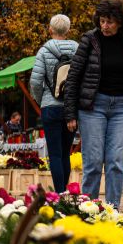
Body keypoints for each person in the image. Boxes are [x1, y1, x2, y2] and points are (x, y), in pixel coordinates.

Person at [63, 0, 123, 208]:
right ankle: (89, 209)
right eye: (102, 21)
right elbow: (73, 76)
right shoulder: (89, 40)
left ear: (120, 23)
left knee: (117, 162)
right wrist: (70, 113)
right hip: (93, 107)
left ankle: (112, 210)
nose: (105, 26)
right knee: (92, 161)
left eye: (110, 22)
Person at [30, 14, 79, 193]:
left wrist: (41, 98)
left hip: (50, 107)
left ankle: (59, 192)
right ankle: (66, 191)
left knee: (55, 154)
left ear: (50, 29)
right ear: (68, 30)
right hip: (71, 108)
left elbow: (35, 82)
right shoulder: (77, 49)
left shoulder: (44, 51)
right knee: (66, 152)